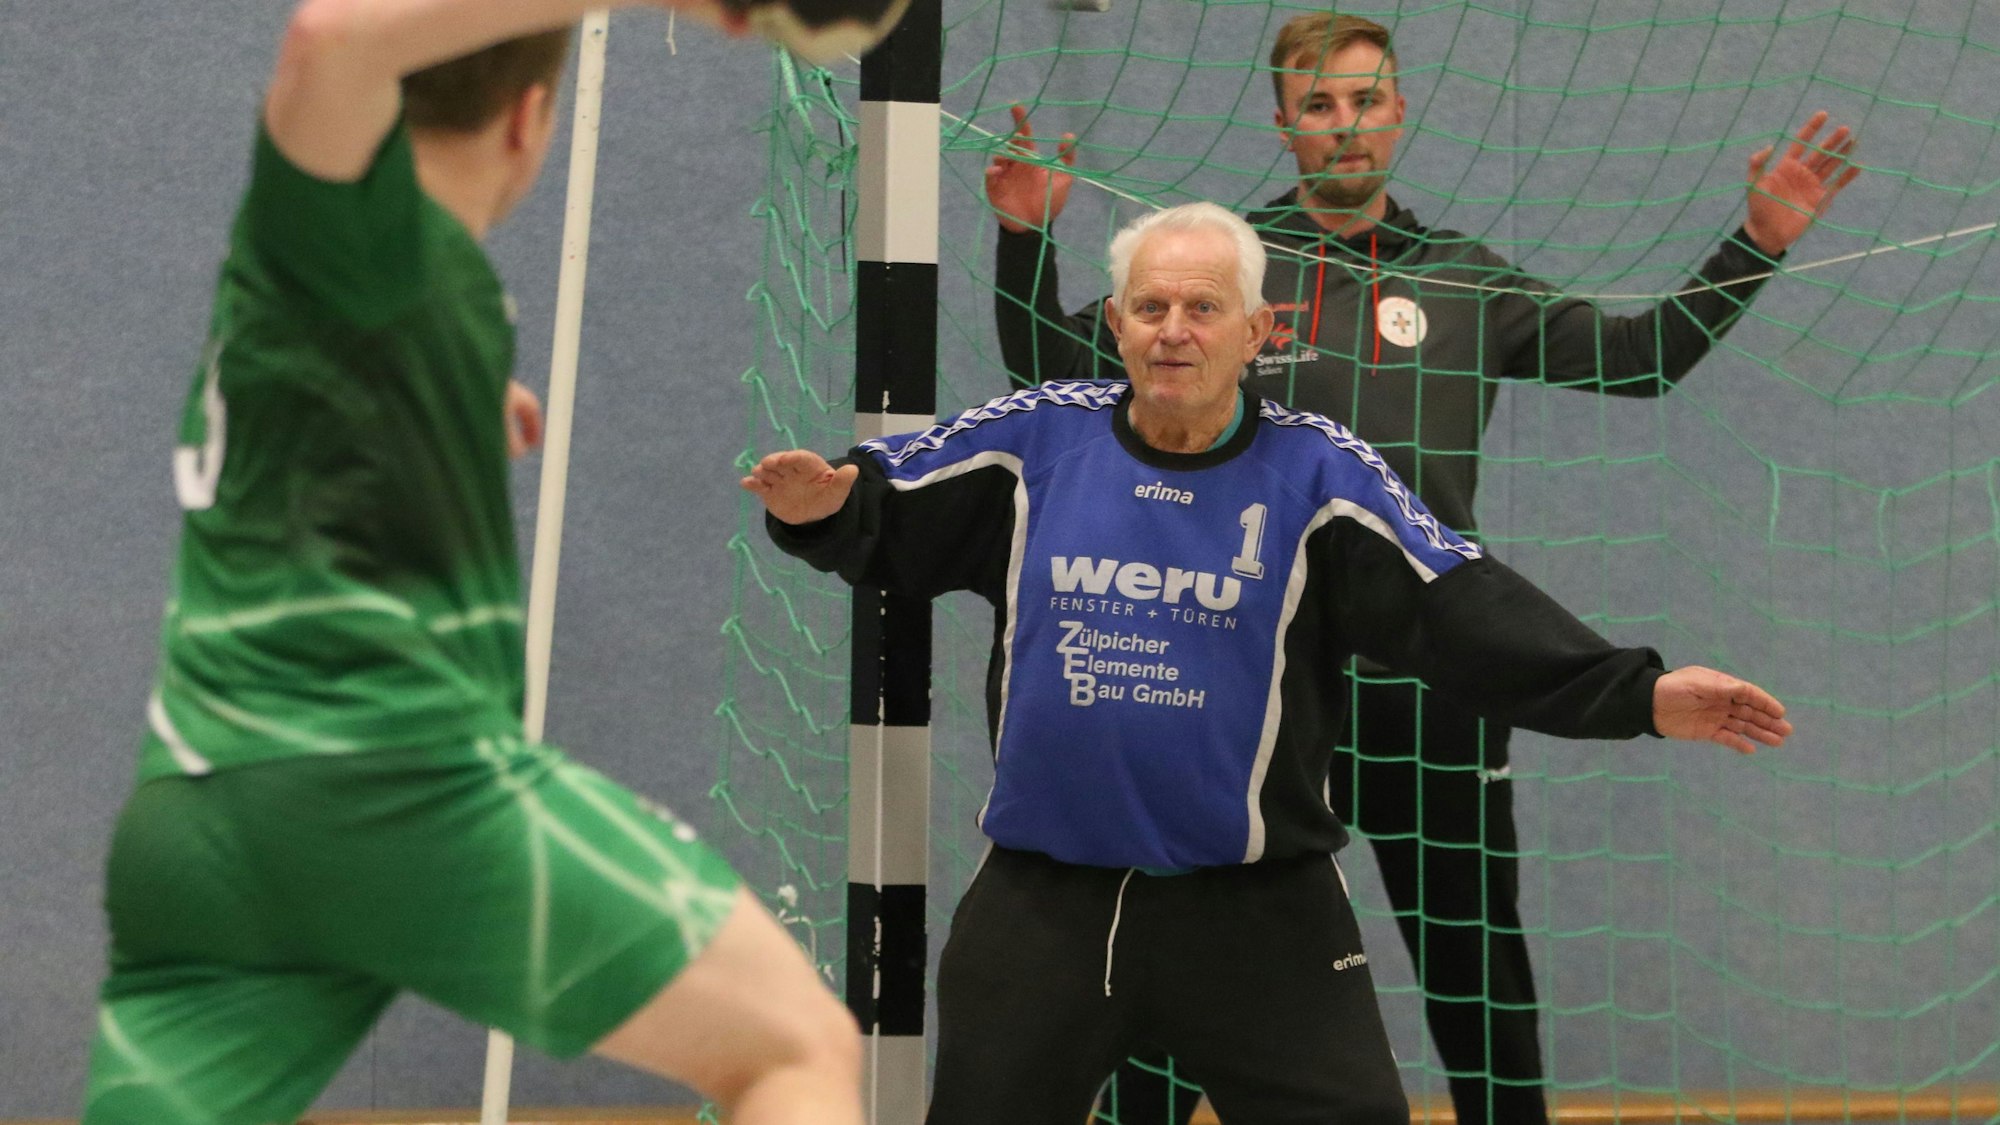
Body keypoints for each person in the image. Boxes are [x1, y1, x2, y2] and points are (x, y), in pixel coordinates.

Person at [743, 202, 1792, 1125]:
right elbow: (888, 498)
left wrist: (1637, 693)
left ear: (1256, 331)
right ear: (1114, 324)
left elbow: (1459, 606)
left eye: (1202, 310)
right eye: (1149, 308)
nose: (1172, 331)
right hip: (1044, 907)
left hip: (1256, 915)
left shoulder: (1317, 475)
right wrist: (825, 507)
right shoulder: (1033, 444)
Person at [983, 14, 1855, 1123]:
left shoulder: (1465, 281)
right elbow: (1047, 364)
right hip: (1243, 689)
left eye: (1364, 100)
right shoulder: (1229, 284)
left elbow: (1642, 362)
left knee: (1475, 980)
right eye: (1319, 105)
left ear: (1398, 111)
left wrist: (1758, 240)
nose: (1344, 126)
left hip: (1429, 690)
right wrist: (1021, 241)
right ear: (1282, 124)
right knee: (1183, 966)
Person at [78, 0, 914, 1120]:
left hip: (197, 829)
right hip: (386, 783)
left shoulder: (380, 294)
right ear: (531, 119)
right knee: (793, 1048)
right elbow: (330, 38)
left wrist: (458, 396)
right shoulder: (351, 225)